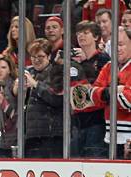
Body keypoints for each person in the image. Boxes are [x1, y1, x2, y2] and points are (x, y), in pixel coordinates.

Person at [89, 27, 131, 159]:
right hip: (110, 136)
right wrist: (114, 90)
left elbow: (128, 101)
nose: (117, 49)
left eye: (121, 44)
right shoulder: (109, 66)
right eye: (114, 45)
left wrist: (106, 94)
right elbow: (92, 95)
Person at [70, 20, 110, 158]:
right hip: (77, 123)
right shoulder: (73, 64)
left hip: (96, 122)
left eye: (86, 33)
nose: (81, 36)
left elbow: (100, 86)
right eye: (79, 33)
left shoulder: (103, 59)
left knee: (94, 161)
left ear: (96, 37)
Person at [24, 38, 64, 158]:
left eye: (40, 56)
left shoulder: (56, 72)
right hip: (31, 134)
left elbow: (56, 99)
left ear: (48, 56)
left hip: (50, 135)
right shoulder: (29, 73)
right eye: (33, 56)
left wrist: (36, 85)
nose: (36, 60)